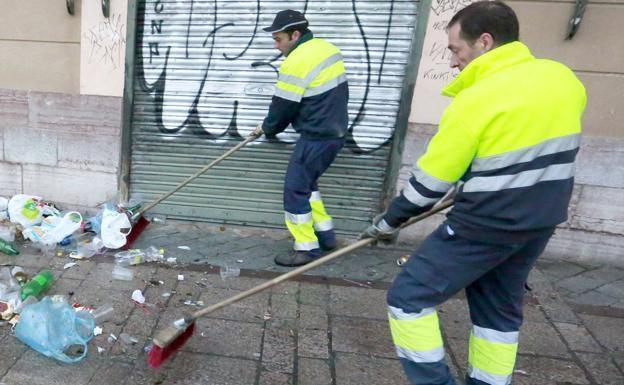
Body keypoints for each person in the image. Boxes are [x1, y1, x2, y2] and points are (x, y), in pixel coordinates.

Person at [359, 2, 586, 384]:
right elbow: (524, 143)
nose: (452, 61)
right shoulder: (563, 79)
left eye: (455, 49)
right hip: (541, 219)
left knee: (409, 299)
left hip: (487, 222)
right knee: (498, 311)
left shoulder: (476, 99)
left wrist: (388, 221)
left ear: (484, 42)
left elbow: (430, 183)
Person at [253, 10, 349, 267]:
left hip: (317, 136)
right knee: (307, 186)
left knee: (295, 189)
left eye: (279, 39)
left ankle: (306, 248)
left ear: (295, 34)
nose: (277, 45)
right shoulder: (326, 48)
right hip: (335, 133)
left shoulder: (297, 61)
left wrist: (267, 128)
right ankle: (326, 236)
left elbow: (283, 106)